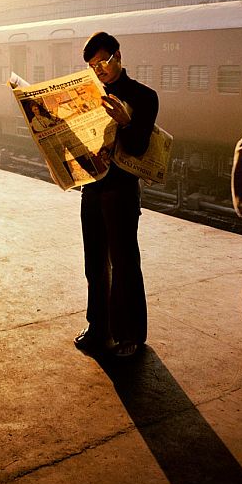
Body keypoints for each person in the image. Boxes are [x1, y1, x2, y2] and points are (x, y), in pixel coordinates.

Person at [73, 31, 158, 358]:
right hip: (92, 189)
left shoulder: (144, 96)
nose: (99, 70)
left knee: (124, 262)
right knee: (94, 262)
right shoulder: (89, 96)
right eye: (92, 66)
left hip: (121, 191)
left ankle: (131, 334)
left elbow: (139, 148)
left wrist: (125, 121)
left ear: (118, 57)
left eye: (103, 62)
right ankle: (98, 326)